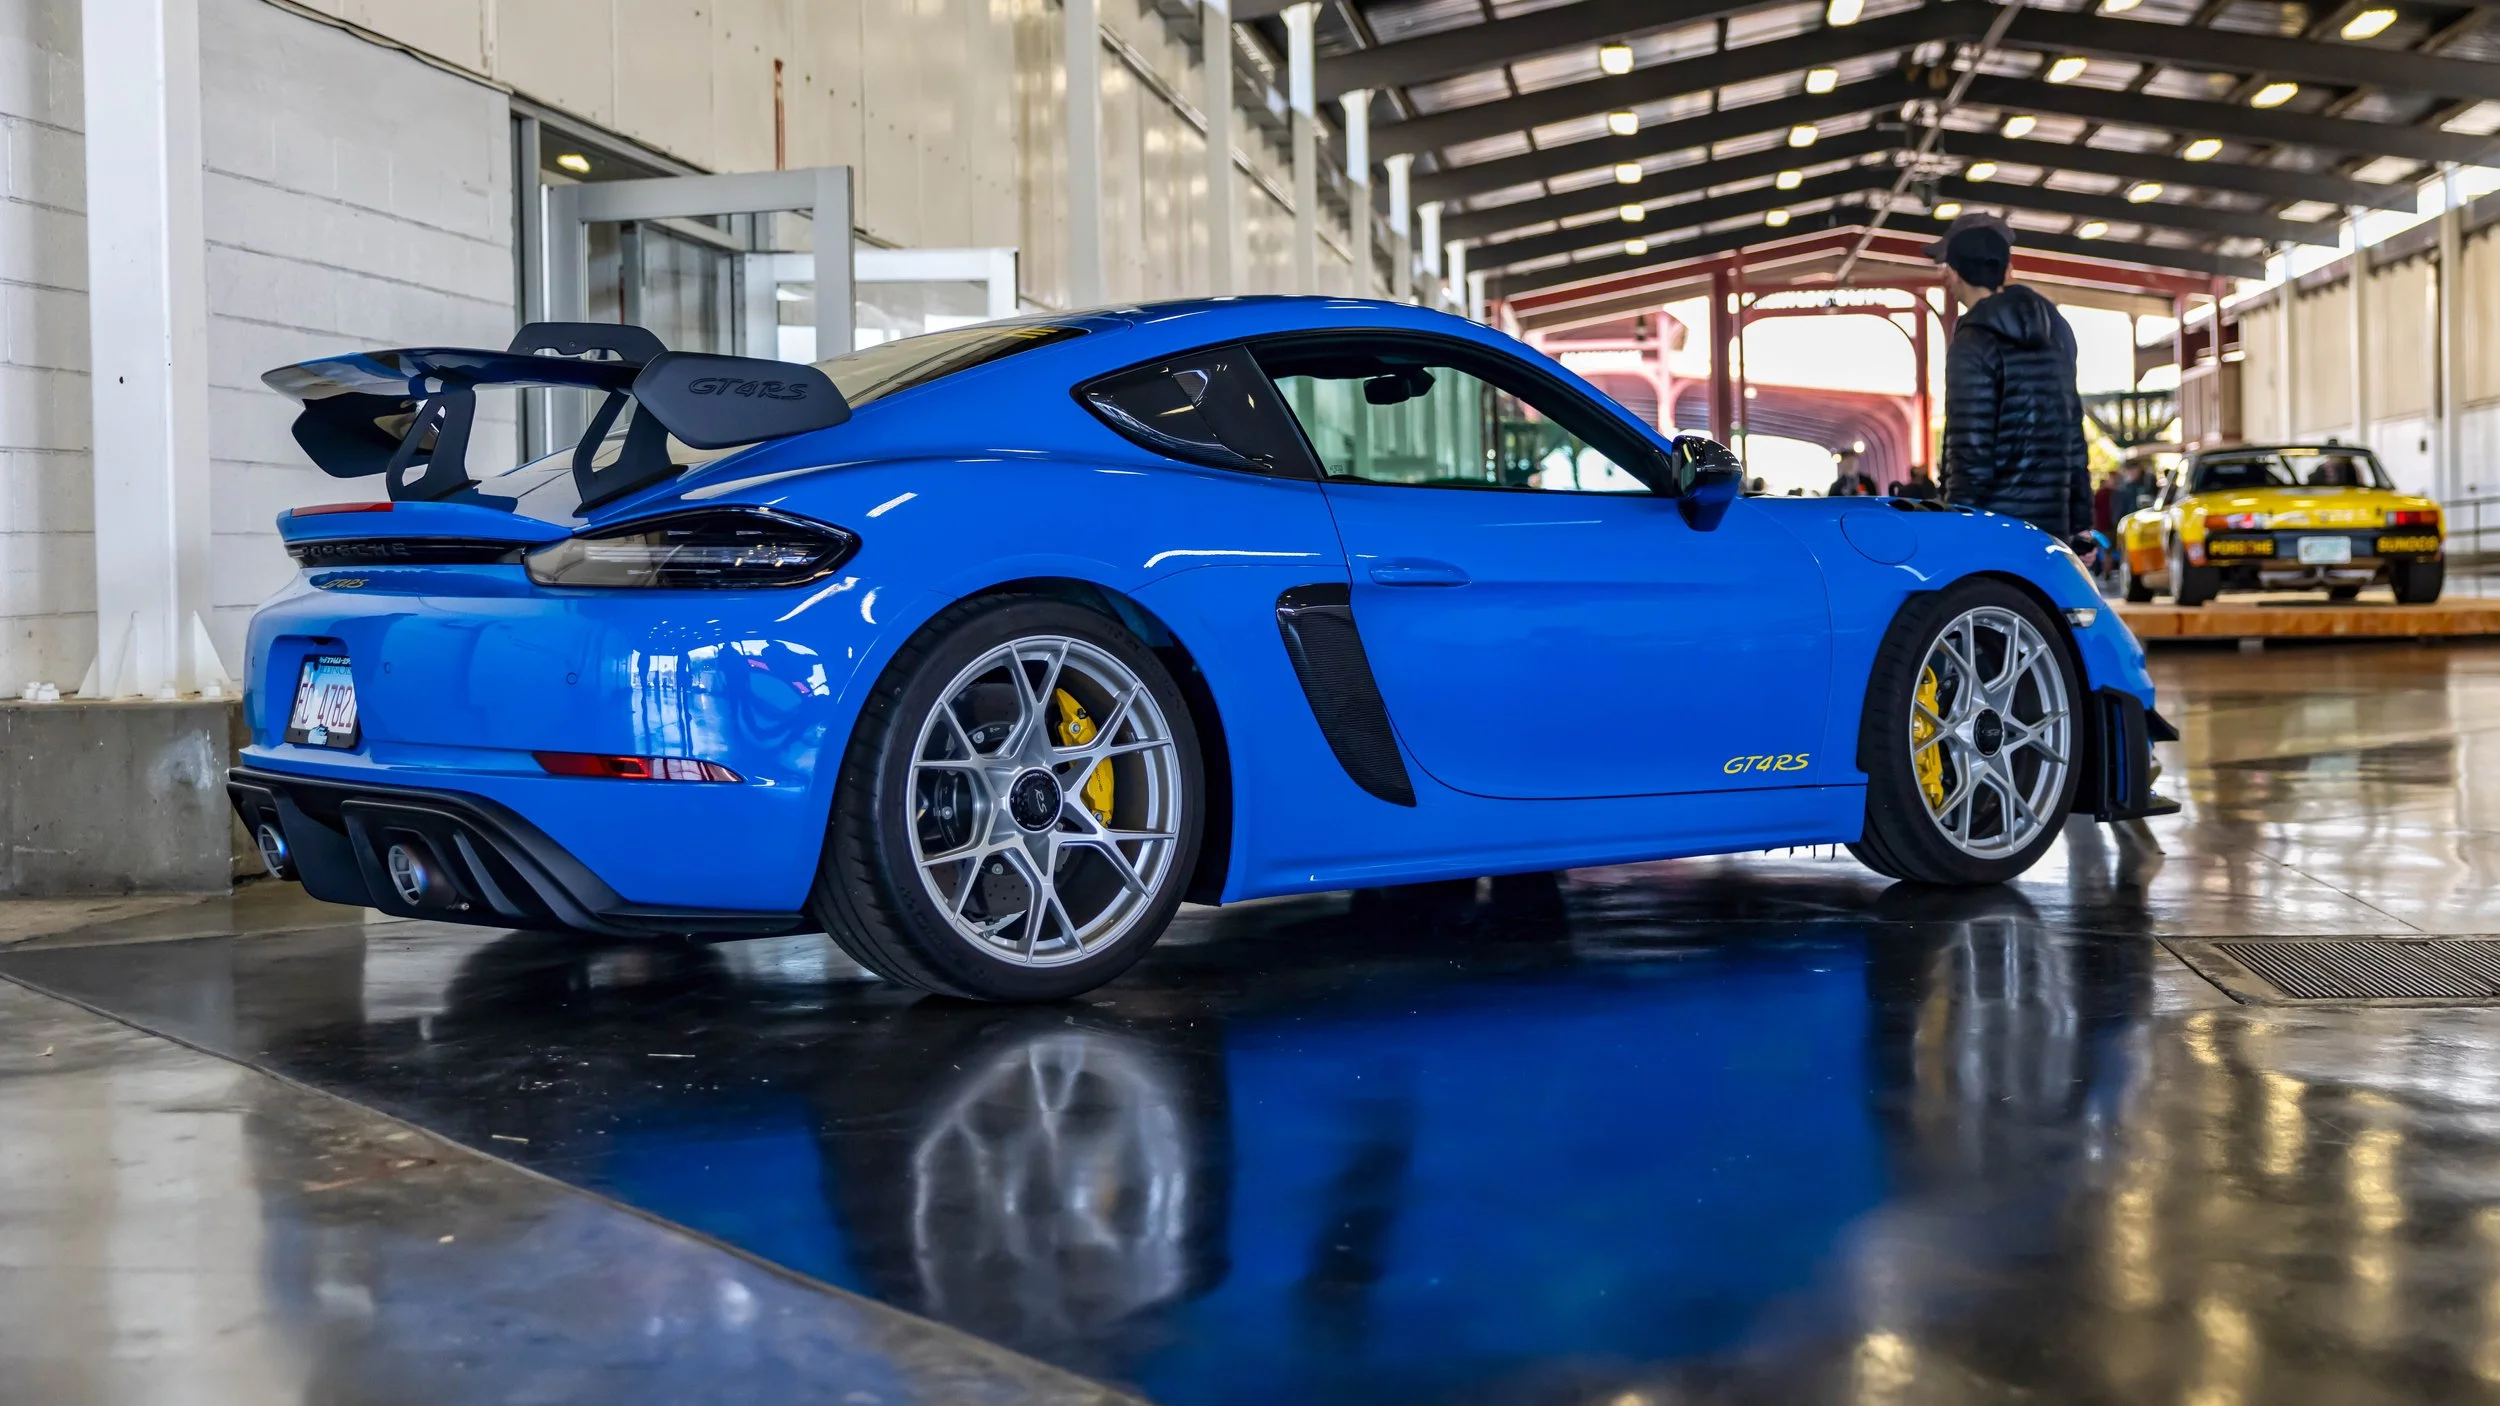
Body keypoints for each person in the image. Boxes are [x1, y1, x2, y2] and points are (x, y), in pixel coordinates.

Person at [1932, 212, 2093, 560]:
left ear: (1955, 274)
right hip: (2053, 528)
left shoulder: (1974, 342)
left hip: (1995, 529)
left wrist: (1960, 528)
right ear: (2007, 270)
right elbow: (2074, 433)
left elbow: (1970, 450)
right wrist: (2081, 525)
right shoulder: (2057, 330)